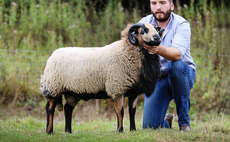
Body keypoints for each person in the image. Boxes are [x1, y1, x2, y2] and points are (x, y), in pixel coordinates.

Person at [139, 0, 196, 131]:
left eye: (162, 2)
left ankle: (184, 123)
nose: (158, 7)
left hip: (183, 74)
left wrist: (157, 49)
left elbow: (176, 55)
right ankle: (166, 122)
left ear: (171, 5)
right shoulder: (144, 22)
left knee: (176, 66)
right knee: (149, 127)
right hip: (158, 78)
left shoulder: (181, 24)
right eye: (153, 3)